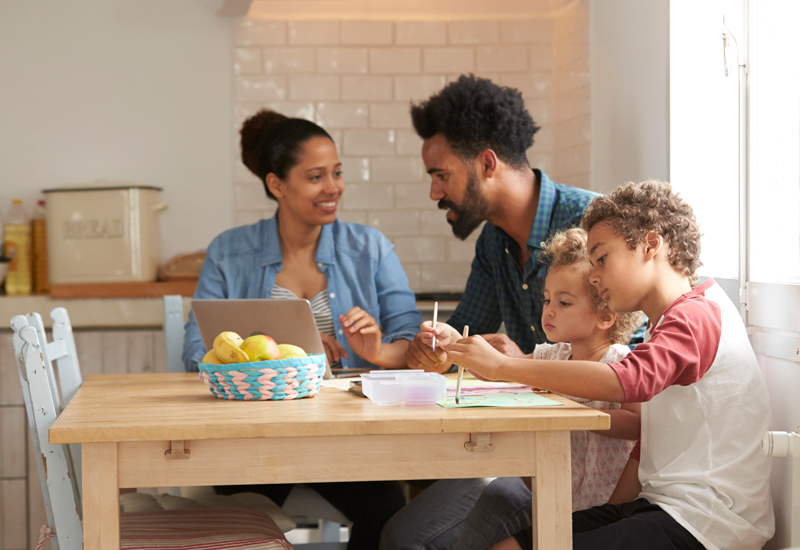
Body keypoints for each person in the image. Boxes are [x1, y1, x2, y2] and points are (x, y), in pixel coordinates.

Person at [446, 181, 775, 550]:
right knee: (509, 546)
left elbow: (626, 381)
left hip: (708, 522)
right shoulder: (666, 323)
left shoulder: (696, 315)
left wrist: (505, 366)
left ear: (652, 245)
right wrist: (607, 516)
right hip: (661, 507)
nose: (595, 274)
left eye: (601, 258)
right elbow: (647, 447)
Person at [183, 109, 421, 550]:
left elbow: (412, 340)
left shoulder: (369, 247)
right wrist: (281, 356)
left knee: (389, 516)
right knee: (235, 528)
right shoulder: (229, 251)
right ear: (277, 185)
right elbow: (196, 349)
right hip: (249, 441)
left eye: (336, 173)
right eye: (316, 177)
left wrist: (377, 347)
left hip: (345, 443)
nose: (333, 188)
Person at [380, 228, 642, 550]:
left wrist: (580, 416)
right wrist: (454, 344)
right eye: (546, 299)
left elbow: (637, 423)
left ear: (605, 315)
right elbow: (497, 370)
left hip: (607, 502)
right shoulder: (553, 355)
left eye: (563, 302)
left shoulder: (620, 361)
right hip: (559, 494)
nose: (548, 310)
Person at [402, 74, 602, 373]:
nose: (434, 193)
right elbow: (463, 336)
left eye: (441, 176)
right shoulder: (493, 241)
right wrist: (439, 351)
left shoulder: (594, 221)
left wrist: (519, 364)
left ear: (487, 164)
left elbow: (631, 358)